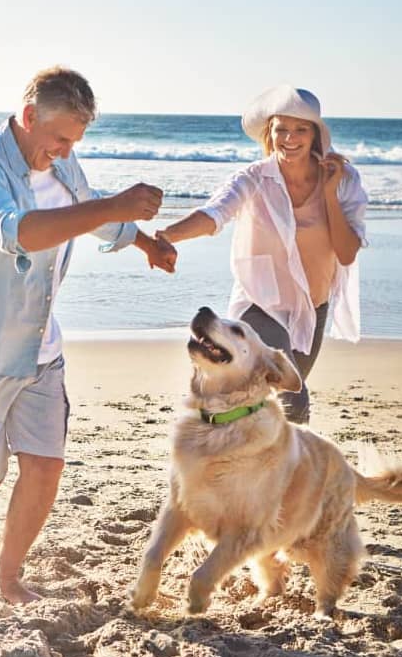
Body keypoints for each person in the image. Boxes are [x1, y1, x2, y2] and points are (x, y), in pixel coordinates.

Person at [0, 66, 176, 604]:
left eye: (76, 141)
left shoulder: (63, 163)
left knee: (45, 466)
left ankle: (8, 577)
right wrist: (113, 206)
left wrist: (143, 242)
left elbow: (88, 213)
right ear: (28, 116)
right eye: (60, 138)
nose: (66, 151)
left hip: (40, 345)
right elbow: (16, 233)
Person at [157, 84, 368, 425]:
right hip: (261, 303)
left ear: (314, 134)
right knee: (293, 401)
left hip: (312, 308)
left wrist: (329, 193)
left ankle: (260, 466)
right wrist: (168, 236)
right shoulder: (254, 179)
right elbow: (214, 214)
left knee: (276, 403)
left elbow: (346, 253)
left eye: (300, 129)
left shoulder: (344, 181)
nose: (290, 138)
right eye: (281, 128)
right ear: (269, 133)